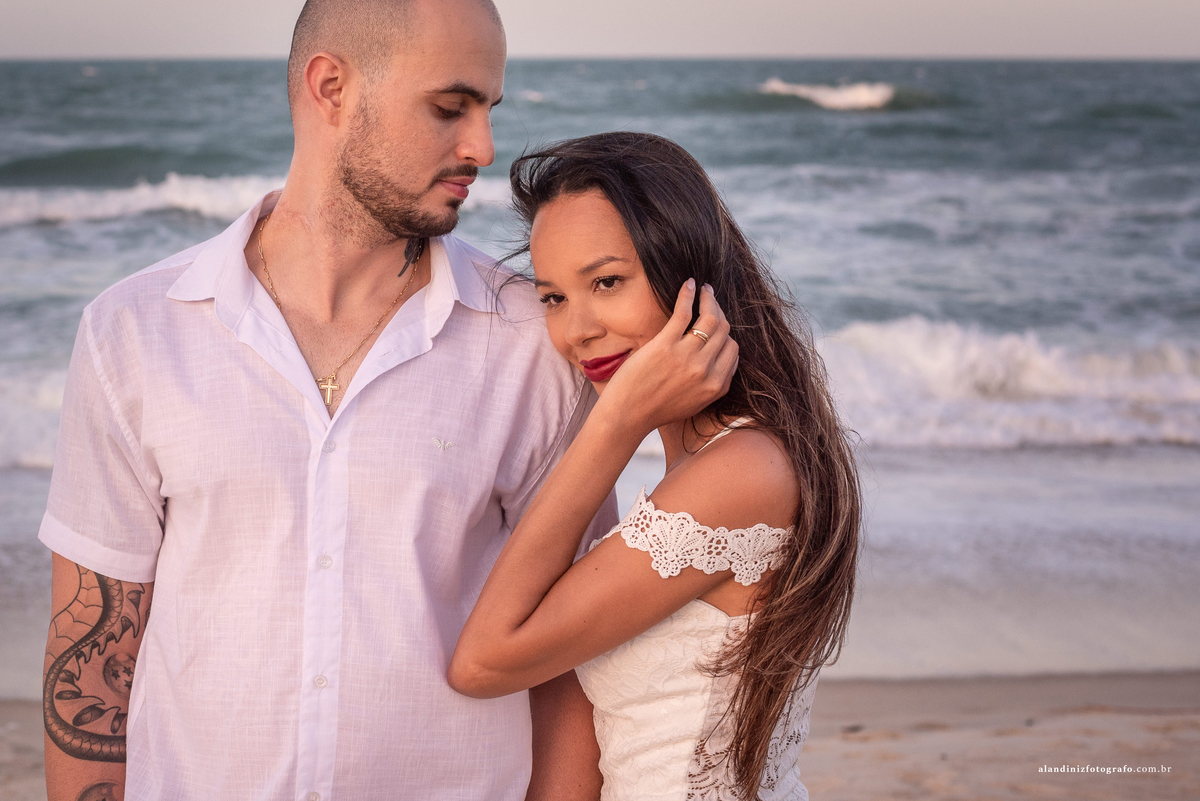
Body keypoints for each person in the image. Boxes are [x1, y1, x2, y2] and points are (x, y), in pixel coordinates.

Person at [37, 3, 733, 799]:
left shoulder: (530, 339)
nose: (483, 147)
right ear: (331, 87)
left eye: (487, 110)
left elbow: (567, 660)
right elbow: (94, 664)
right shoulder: (132, 332)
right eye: (450, 107)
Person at [448, 131, 862, 800]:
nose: (577, 329)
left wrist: (614, 424)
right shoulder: (714, 464)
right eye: (553, 297)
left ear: (687, 271)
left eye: (607, 282)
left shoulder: (745, 470)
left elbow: (483, 659)